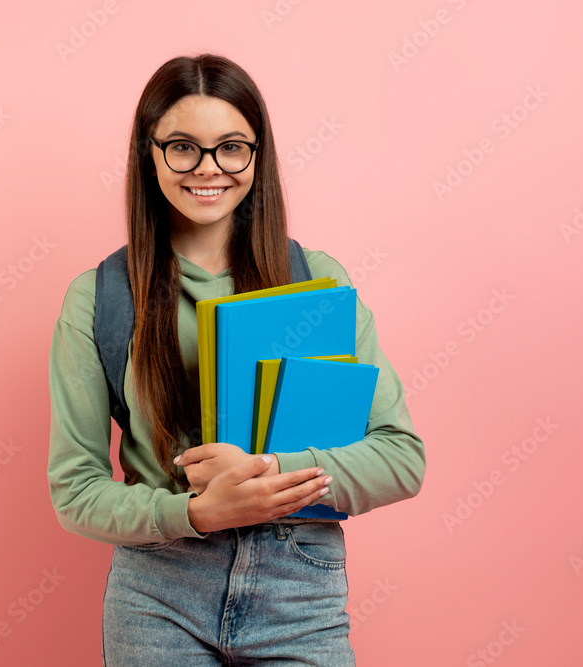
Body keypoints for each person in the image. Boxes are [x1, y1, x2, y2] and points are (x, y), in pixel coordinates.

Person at [48, 53, 425, 666]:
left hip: (299, 591)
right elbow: (76, 489)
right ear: (149, 153)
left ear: (258, 155)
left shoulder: (319, 283)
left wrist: (269, 472)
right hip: (157, 597)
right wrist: (195, 512)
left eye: (231, 147)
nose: (209, 169)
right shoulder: (98, 298)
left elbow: (400, 458)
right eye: (182, 147)